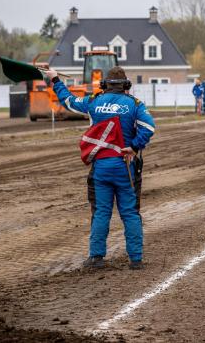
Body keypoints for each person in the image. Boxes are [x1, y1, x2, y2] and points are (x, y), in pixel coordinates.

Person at [46, 67, 155, 270]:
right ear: (126, 86)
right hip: (125, 167)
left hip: (101, 168)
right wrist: (134, 146)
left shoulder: (94, 101)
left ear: (104, 85)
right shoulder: (134, 104)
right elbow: (149, 127)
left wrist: (55, 80)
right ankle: (136, 260)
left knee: (101, 212)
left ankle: (96, 257)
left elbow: (69, 101)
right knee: (130, 213)